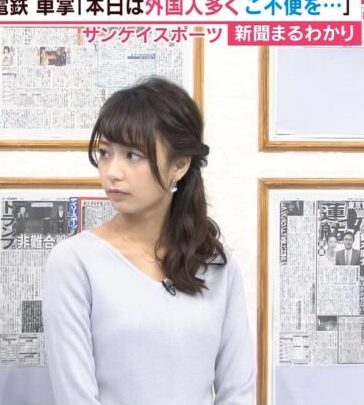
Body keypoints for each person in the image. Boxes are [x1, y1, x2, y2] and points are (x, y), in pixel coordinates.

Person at [43, 77, 255, 405]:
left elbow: (238, 392)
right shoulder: (74, 262)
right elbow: (75, 397)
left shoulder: (217, 266)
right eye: (105, 153)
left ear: (179, 165)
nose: (112, 172)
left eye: (132, 155)